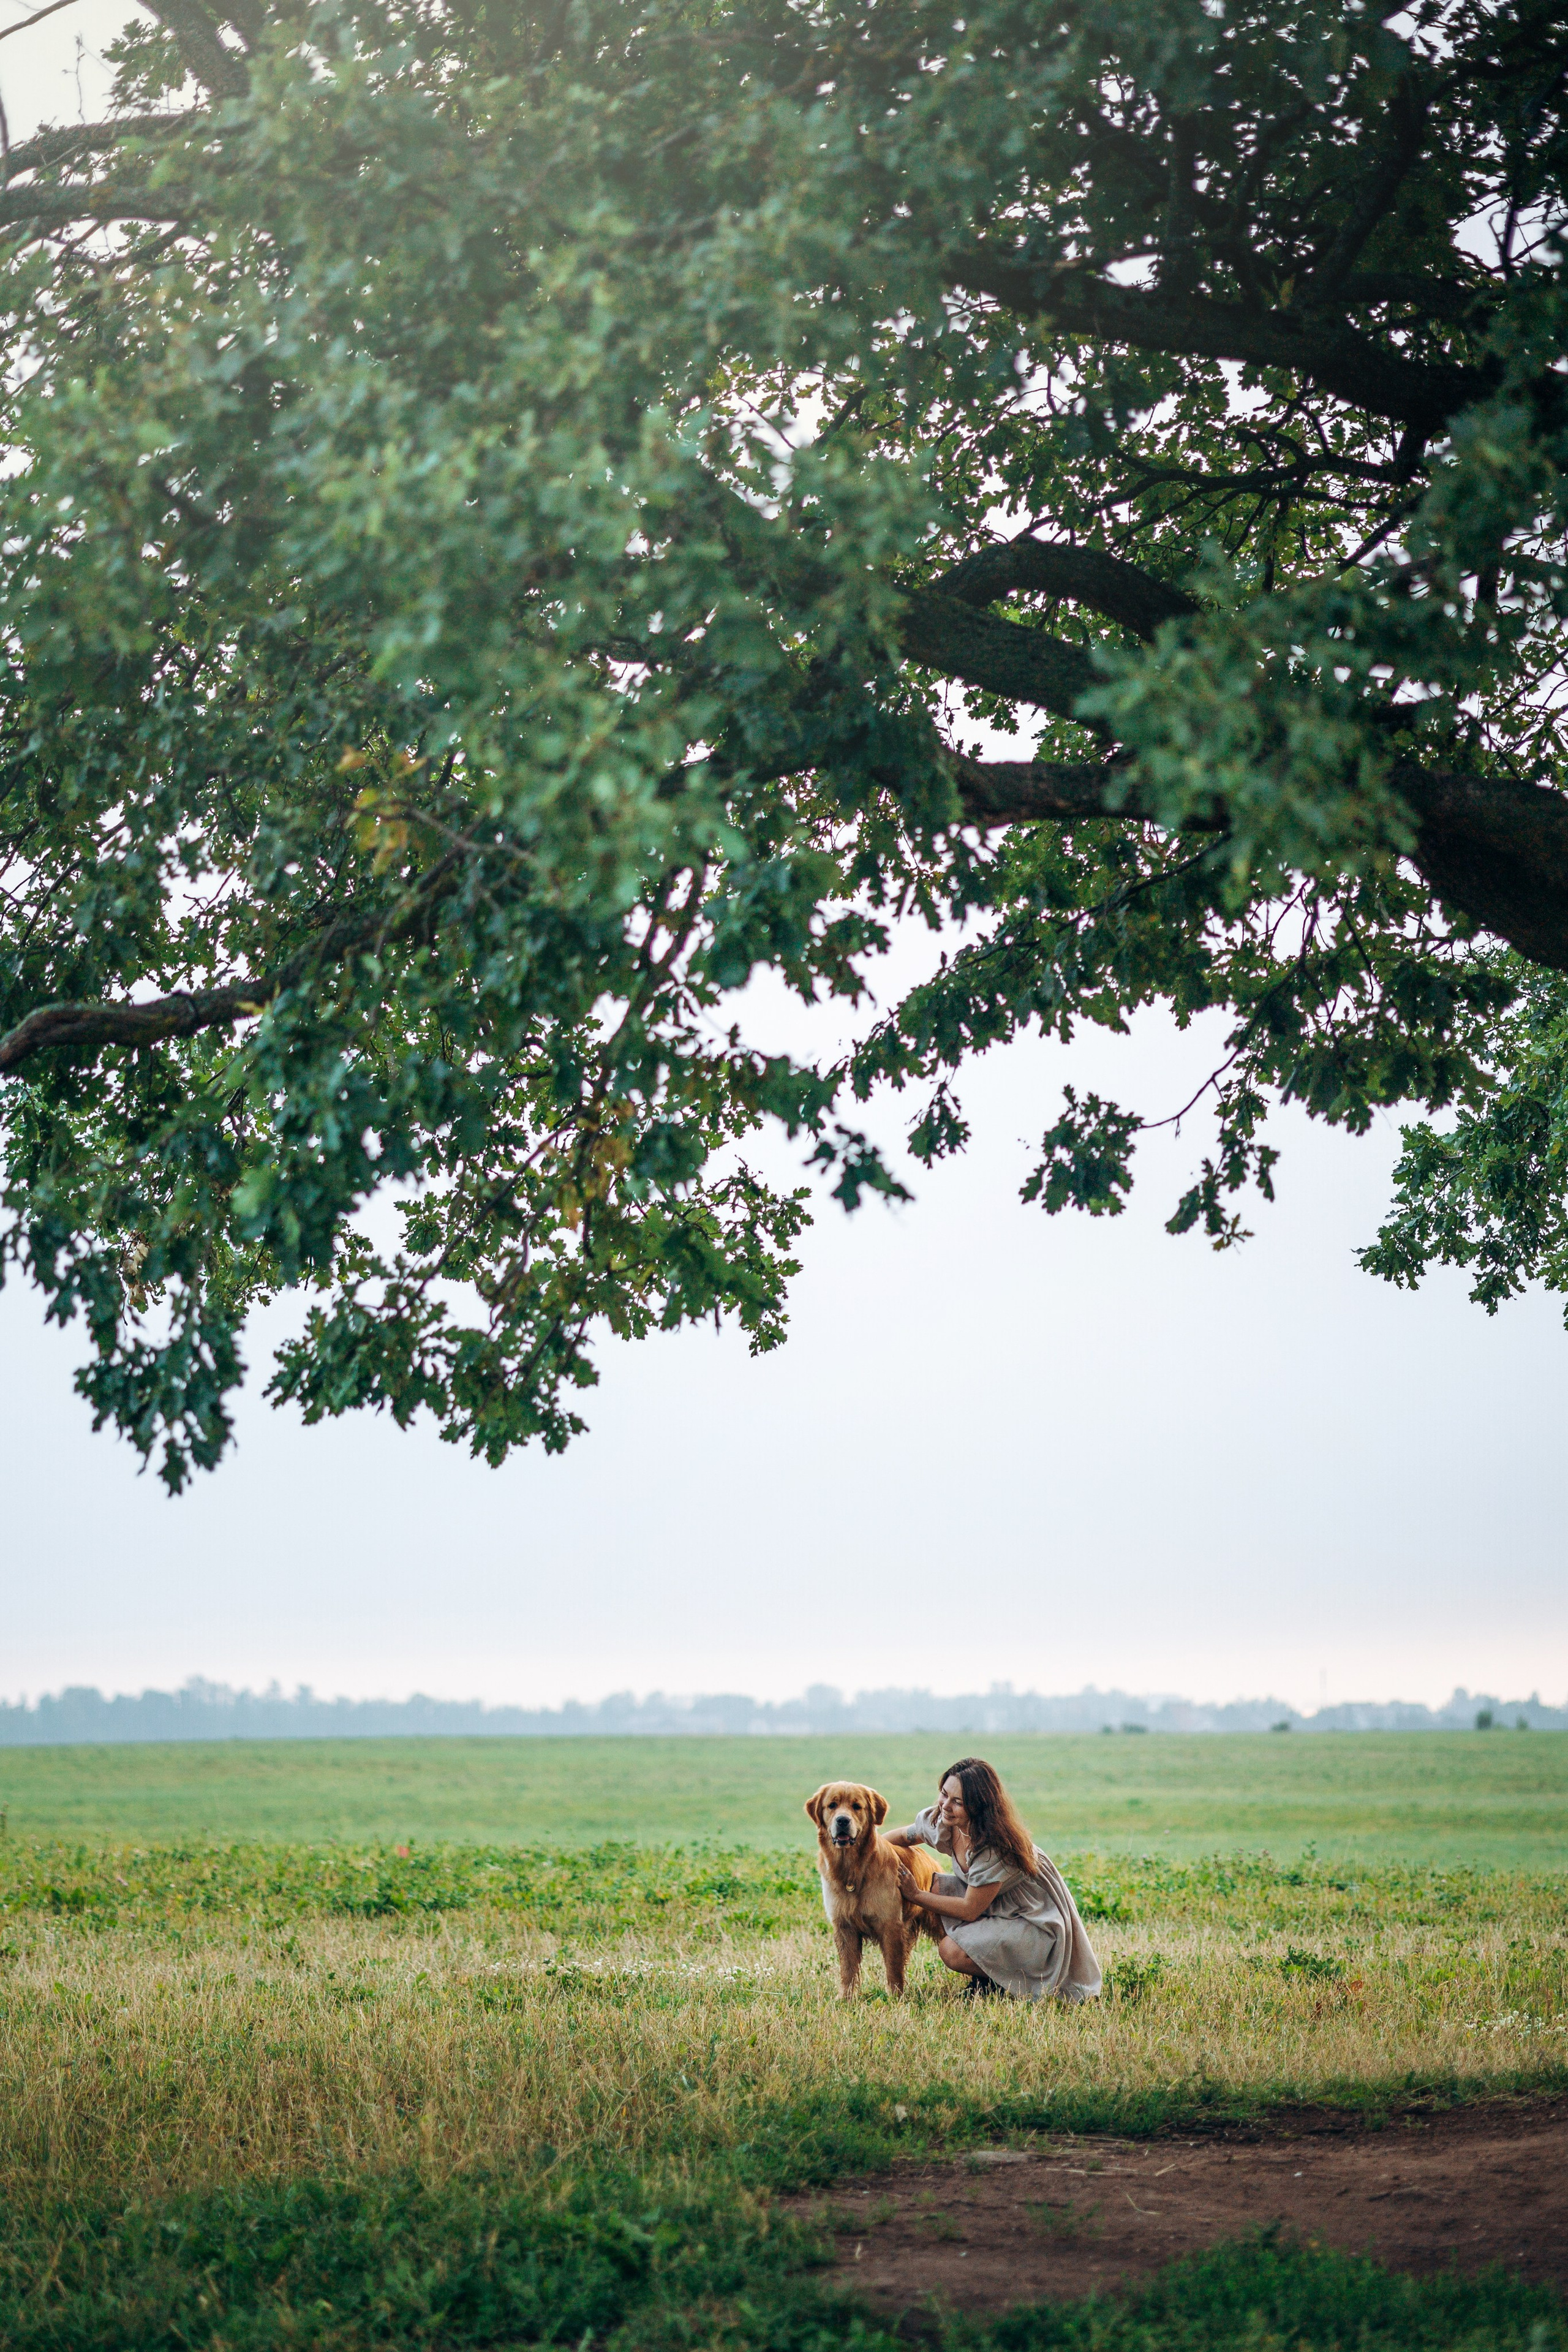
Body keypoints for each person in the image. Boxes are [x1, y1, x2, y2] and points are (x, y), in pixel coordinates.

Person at [887, 1756, 1102, 2002]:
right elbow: (904, 1836)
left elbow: (969, 1910)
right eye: (944, 1794)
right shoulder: (945, 1820)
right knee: (939, 1888)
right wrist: (870, 1854)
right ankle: (989, 1971)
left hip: (1033, 1915)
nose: (946, 1805)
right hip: (995, 1899)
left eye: (958, 1802)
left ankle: (998, 1983)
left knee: (951, 1951)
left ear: (978, 1807)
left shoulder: (993, 1846)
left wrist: (916, 1895)